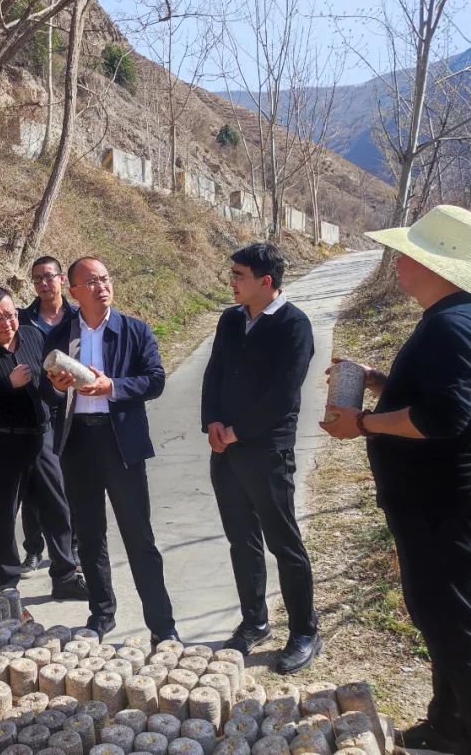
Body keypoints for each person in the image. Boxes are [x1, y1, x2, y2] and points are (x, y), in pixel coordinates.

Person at [320, 205, 471, 755]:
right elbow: (434, 396)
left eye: (407, 253)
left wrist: (362, 424)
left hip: (442, 503)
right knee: (441, 620)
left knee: (456, 628)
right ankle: (448, 727)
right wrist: (377, 380)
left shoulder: (454, 326)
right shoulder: (451, 318)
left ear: (434, 264)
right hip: (435, 502)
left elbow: (442, 418)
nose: (398, 261)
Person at [43, 256, 178, 644]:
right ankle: (102, 612)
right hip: (78, 444)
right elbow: (46, 393)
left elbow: (155, 380)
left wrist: (113, 387)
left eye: (105, 278)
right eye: (91, 282)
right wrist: (55, 387)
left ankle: (162, 625)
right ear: (74, 292)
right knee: (89, 535)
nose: (102, 286)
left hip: (120, 442)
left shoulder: (134, 330)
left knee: (139, 536)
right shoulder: (60, 336)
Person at [200, 243, 321, 674]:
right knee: (242, 540)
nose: (231, 281)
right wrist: (213, 422)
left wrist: (238, 431)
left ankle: (304, 631)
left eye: (239, 275)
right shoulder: (231, 319)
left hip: (267, 450)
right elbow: (214, 373)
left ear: (265, 281)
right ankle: (254, 621)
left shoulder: (293, 325)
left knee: (284, 543)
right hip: (226, 450)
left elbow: (283, 395)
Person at [0, 286, 87, 598]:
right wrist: (8, 383)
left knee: (58, 509)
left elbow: (48, 390)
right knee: (3, 516)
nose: (8, 323)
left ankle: (65, 576)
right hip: (2, 444)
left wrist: (58, 389)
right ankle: (6, 586)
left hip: (41, 438)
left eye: (11, 315)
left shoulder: (32, 336)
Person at [17, 255, 78, 576]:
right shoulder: (22, 319)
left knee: (71, 478)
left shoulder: (77, 317)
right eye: (37, 278)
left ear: (62, 279)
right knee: (33, 483)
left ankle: (73, 545)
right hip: (34, 408)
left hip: (71, 407)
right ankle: (33, 548)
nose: (43, 283)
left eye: (49, 276)